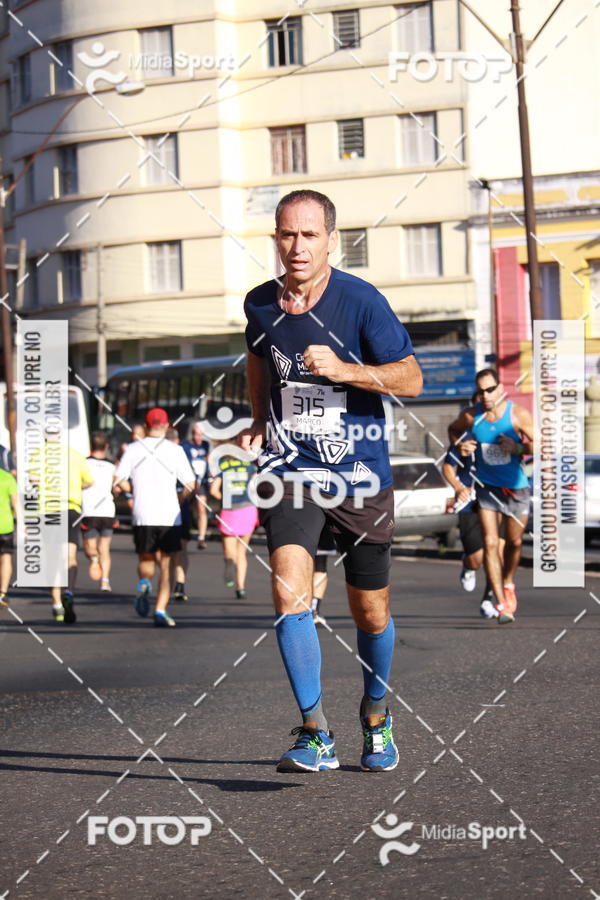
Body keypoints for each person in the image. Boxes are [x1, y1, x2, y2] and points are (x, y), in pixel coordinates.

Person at [241, 189, 422, 773]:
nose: (297, 246)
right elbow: (257, 359)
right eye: (287, 234)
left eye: (309, 235)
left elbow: (412, 379)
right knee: (289, 593)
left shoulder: (362, 301)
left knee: (370, 612)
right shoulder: (260, 305)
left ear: (330, 240)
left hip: (360, 475)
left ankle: (375, 714)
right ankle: (314, 730)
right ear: (276, 238)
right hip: (293, 470)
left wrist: (347, 371)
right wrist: (255, 420)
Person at [449, 368, 534, 625]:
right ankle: (501, 603)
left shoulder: (516, 414)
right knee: (490, 542)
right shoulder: (470, 416)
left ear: (500, 389)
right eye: (480, 391)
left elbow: (540, 444)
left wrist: (517, 447)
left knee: (514, 543)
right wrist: (459, 445)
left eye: (489, 389)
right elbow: (452, 429)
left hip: (516, 488)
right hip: (487, 487)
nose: (485, 395)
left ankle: (508, 582)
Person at [114, 407, 195, 627]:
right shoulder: (175, 450)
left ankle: (144, 581)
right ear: (167, 426)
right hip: (170, 515)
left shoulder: (132, 448)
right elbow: (191, 483)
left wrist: (131, 487)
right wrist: (180, 499)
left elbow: (118, 479)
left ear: (147, 426)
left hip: (143, 513)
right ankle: (160, 610)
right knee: (167, 565)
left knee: (146, 558)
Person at [441, 442, 505, 619]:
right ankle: (468, 566)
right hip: (469, 503)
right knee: (476, 560)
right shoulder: (466, 437)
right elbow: (447, 466)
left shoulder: (504, 433)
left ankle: (488, 599)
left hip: (496, 499)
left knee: (497, 552)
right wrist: (458, 487)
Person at [209, 446, 258, 599]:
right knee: (242, 552)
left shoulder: (224, 468)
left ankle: (229, 562)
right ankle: (240, 587)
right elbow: (255, 487)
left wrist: (223, 498)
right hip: (248, 510)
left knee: (229, 551)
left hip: (230, 511)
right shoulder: (251, 468)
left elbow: (213, 490)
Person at [81, 432, 116, 592]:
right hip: (107, 510)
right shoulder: (112, 466)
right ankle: (105, 580)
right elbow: (117, 486)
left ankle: (97, 565)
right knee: (104, 548)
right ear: (107, 446)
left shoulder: (84, 464)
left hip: (90, 510)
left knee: (91, 546)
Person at [167, 425, 190, 603]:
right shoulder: (175, 452)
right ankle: (174, 584)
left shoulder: (183, 454)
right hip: (172, 507)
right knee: (176, 550)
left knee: (176, 549)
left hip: (177, 507)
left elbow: (191, 483)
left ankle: (178, 584)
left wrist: (180, 500)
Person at [181, 423, 210, 549]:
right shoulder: (185, 445)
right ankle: (182, 532)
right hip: (188, 481)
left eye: (200, 435)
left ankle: (201, 537)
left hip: (201, 482)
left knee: (201, 507)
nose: (198, 437)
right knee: (183, 506)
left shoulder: (205, 445)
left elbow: (207, 459)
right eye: (195, 434)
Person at [310, 524, 336, 627]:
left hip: (295, 519)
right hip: (321, 518)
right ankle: (313, 609)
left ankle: (305, 609)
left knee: (299, 565)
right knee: (319, 566)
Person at [0, 466, 18, 607]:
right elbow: (15, 503)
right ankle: (3, 592)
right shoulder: (7, 477)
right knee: (6, 557)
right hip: (5, 525)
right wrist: (22, 524)